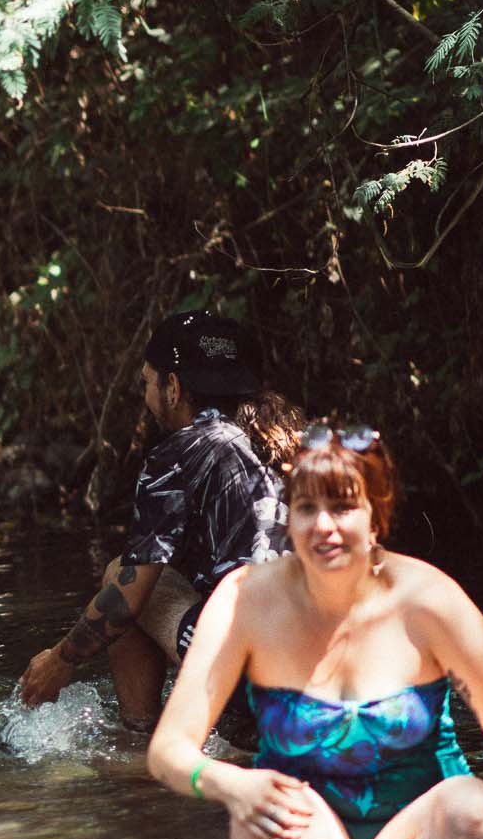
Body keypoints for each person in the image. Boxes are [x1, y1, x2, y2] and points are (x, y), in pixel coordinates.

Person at [147, 425, 483, 839]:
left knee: (471, 805)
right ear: (289, 517)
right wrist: (231, 783)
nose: (323, 526)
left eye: (342, 507)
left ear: (375, 517)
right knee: (262, 825)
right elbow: (169, 750)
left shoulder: (429, 600)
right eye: (306, 508)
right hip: (301, 836)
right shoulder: (244, 599)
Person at [20, 310, 299, 734]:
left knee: (124, 576)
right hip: (317, 658)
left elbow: (130, 595)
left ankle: (144, 742)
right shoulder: (286, 434)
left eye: (148, 382)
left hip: (255, 678)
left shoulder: (183, 451)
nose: (147, 396)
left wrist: (59, 661)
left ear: (173, 388)